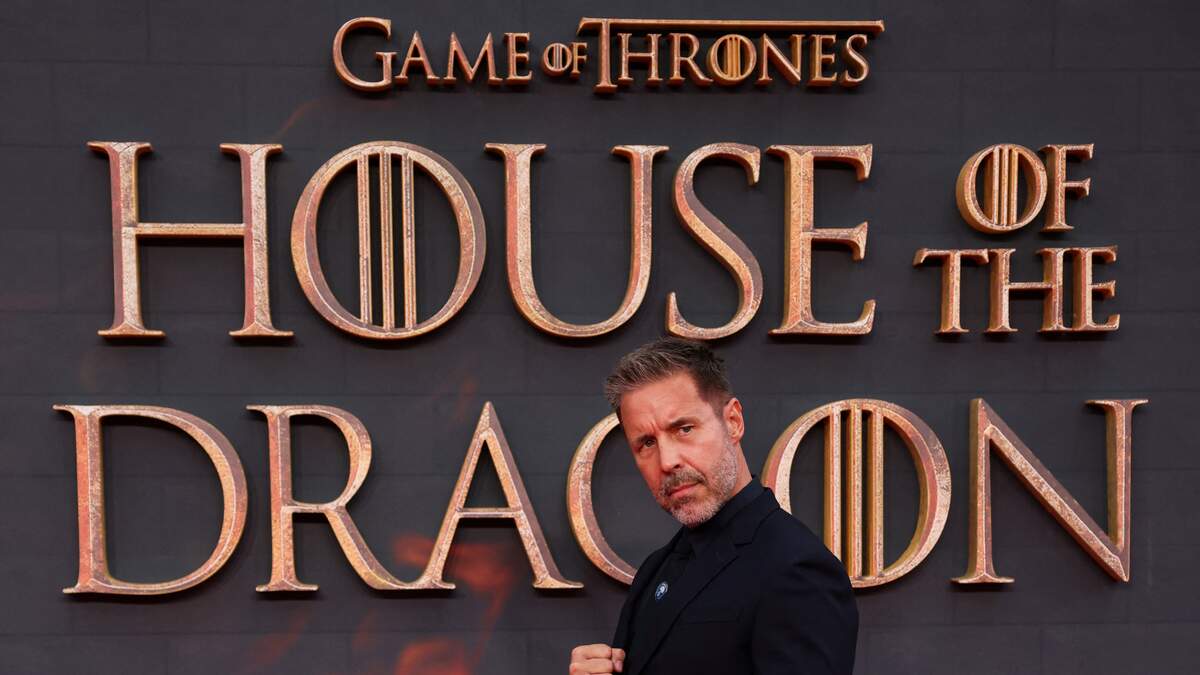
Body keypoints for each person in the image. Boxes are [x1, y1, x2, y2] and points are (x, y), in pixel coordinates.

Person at [568, 337, 858, 675]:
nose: (667, 461)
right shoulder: (655, 569)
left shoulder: (797, 568)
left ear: (733, 421)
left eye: (684, 429)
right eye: (646, 443)